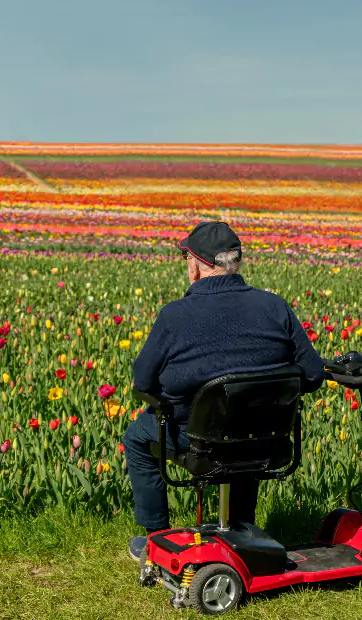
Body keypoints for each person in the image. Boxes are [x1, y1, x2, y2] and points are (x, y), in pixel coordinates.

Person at [123, 221, 326, 561]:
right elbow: (314, 374)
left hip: (199, 441)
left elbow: (142, 382)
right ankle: (240, 526)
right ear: (237, 264)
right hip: (267, 439)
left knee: (137, 436)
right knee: (248, 419)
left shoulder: (175, 316)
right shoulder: (275, 307)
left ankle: (157, 537)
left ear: (195, 266)